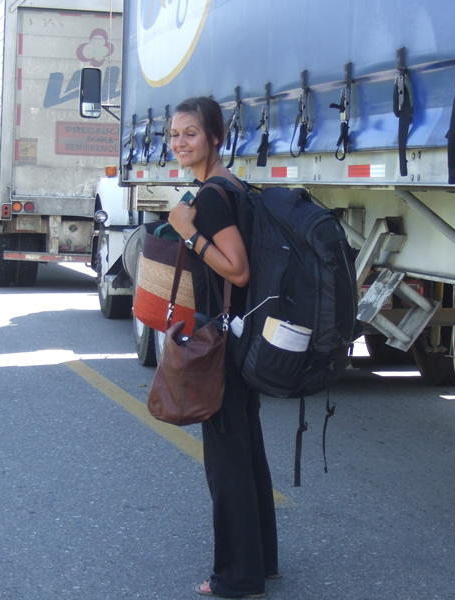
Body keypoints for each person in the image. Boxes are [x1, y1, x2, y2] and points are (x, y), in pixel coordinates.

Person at [166, 97, 278, 599]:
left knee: (227, 462)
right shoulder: (234, 186)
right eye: (174, 134)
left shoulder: (212, 198)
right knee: (246, 452)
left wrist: (189, 234)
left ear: (215, 137)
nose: (180, 142)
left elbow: (238, 269)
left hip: (224, 345)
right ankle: (261, 562)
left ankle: (236, 577)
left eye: (190, 133)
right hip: (243, 335)